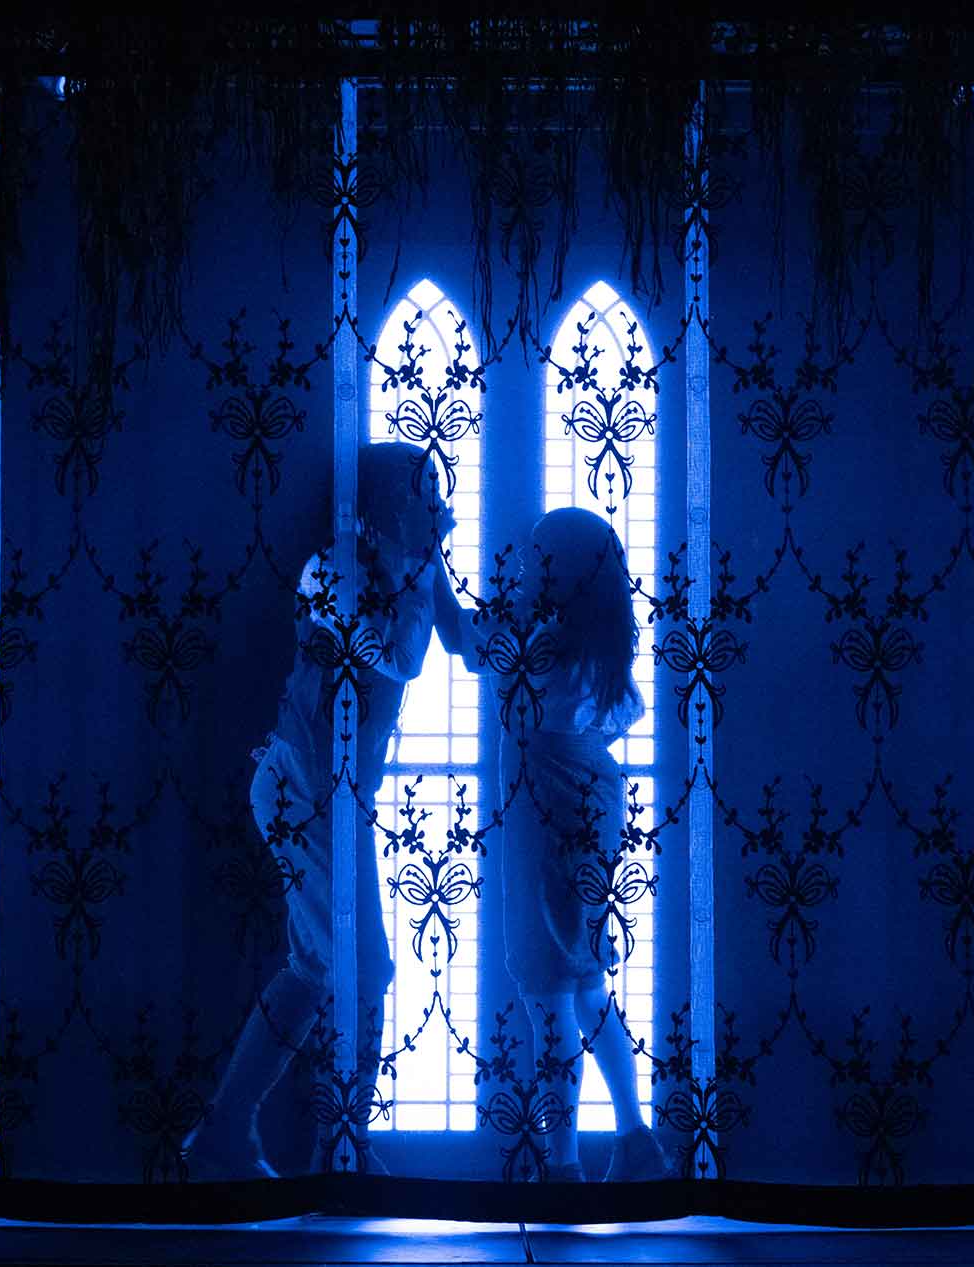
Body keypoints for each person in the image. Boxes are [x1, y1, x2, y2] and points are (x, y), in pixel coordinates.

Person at [185, 441, 470, 1180]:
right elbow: (401, 656)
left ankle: (234, 1135)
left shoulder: (415, 565)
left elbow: (467, 646)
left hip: (330, 796)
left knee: (320, 967)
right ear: (382, 507)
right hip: (302, 788)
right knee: (361, 966)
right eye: (421, 493)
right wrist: (425, 574)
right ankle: (334, 1146)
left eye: (437, 491)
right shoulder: (336, 570)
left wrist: (548, 627)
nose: (436, 507)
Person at [498, 507, 672, 1183]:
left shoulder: (543, 642)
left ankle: (563, 1167)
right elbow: (628, 710)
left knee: (549, 993)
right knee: (587, 985)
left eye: (535, 555)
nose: (523, 566)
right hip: (593, 795)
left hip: (546, 804)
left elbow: (495, 671)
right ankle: (634, 1139)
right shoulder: (600, 642)